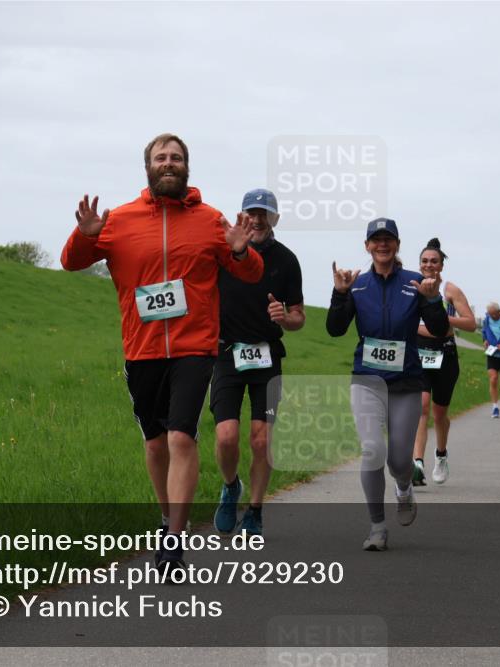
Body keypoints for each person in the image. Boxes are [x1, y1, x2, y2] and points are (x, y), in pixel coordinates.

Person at [60, 133, 263, 575]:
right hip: (142, 347)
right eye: (161, 157)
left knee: (180, 437)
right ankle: (165, 516)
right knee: (155, 445)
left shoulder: (210, 220)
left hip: (194, 346)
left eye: (176, 157)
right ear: (148, 167)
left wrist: (240, 249)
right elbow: (71, 262)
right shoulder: (119, 220)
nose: (168, 163)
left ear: (187, 167)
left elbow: (249, 274)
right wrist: (85, 234)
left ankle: (174, 538)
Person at [327, 218, 449, 551]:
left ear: (396, 244)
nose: (382, 245)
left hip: (406, 382)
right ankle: (377, 527)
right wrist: (340, 294)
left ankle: (405, 488)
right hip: (366, 379)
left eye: (388, 240)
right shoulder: (357, 284)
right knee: (371, 451)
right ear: (367, 246)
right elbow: (335, 329)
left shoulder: (415, 282)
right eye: (376, 240)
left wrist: (433, 298)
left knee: (398, 460)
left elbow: (438, 329)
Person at [211, 189, 305, 537]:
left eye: (265, 213)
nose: (257, 218)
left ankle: (254, 509)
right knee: (226, 436)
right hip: (226, 354)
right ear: (242, 215)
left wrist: (285, 317)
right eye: (252, 212)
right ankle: (230, 485)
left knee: (261, 440)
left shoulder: (287, 260)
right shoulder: (223, 253)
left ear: (274, 219)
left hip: (267, 356)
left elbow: (299, 316)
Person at [411, 238, 475, 486]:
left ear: (441, 266)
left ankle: (441, 454)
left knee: (439, 414)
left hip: (445, 354)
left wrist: (445, 320)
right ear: (419, 263)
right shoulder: (412, 286)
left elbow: (470, 323)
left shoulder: (450, 291)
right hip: (419, 352)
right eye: (425, 261)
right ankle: (417, 463)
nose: (429, 265)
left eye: (434, 261)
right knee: (422, 405)